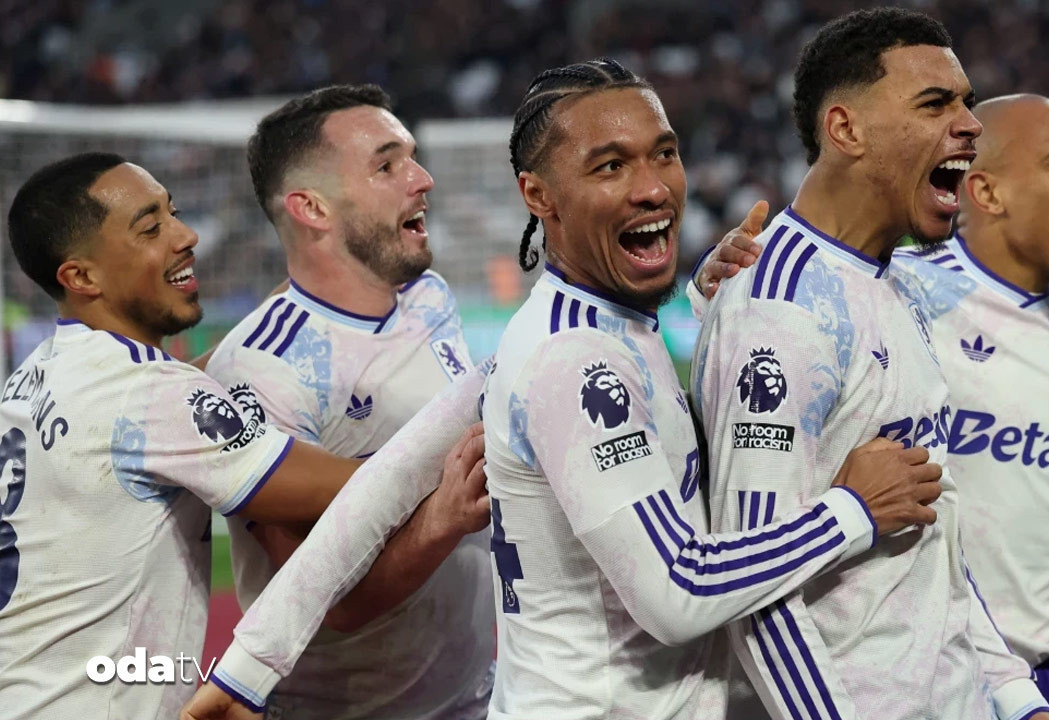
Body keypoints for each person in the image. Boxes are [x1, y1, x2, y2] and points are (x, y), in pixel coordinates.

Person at [182, 58, 945, 720]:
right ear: (539, 196)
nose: (652, 187)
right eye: (610, 167)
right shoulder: (573, 359)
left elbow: (382, 484)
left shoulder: (594, 328)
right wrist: (851, 511)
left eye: (664, 153)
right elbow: (679, 591)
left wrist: (248, 666)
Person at [695, 94, 1049, 720]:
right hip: (939, 659)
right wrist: (715, 287)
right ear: (987, 193)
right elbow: (796, 318)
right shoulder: (909, 287)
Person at [0, 153, 489, 719]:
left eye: (173, 212)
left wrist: (295, 306)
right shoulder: (149, 396)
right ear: (81, 277)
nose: (186, 236)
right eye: (151, 228)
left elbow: (174, 396)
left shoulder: (38, 377)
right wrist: (485, 409)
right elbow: (363, 487)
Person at [690, 9, 1049, 720]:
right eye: (935, 104)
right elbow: (754, 598)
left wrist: (1015, 698)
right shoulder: (780, 311)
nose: (970, 125)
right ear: (846, 129)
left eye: (967, 103)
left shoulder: (894, 284)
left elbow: (933, 540)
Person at [199, 84, 496, 720]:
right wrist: (442, 518)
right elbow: (326, 604)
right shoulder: (263, 374)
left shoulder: (429, 296)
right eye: (387, 165)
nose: (422, 179)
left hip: (477, 698)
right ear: (312, 208)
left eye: (411, 157)